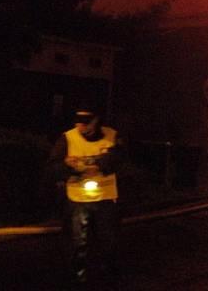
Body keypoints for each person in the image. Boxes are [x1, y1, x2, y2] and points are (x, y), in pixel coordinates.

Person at [49, 106, 125, 286]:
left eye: (85, 122)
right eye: (78, 122)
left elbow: (119, 159)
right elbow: (52, 167)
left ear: (96, 120)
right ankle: (77, 279)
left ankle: (108, 279)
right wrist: (66, 165)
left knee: (108, 242)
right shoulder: (67, 138)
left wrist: (103, 163)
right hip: (77, 200)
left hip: (105, 198)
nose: (81, 126)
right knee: (77, 243)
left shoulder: (111, 136)